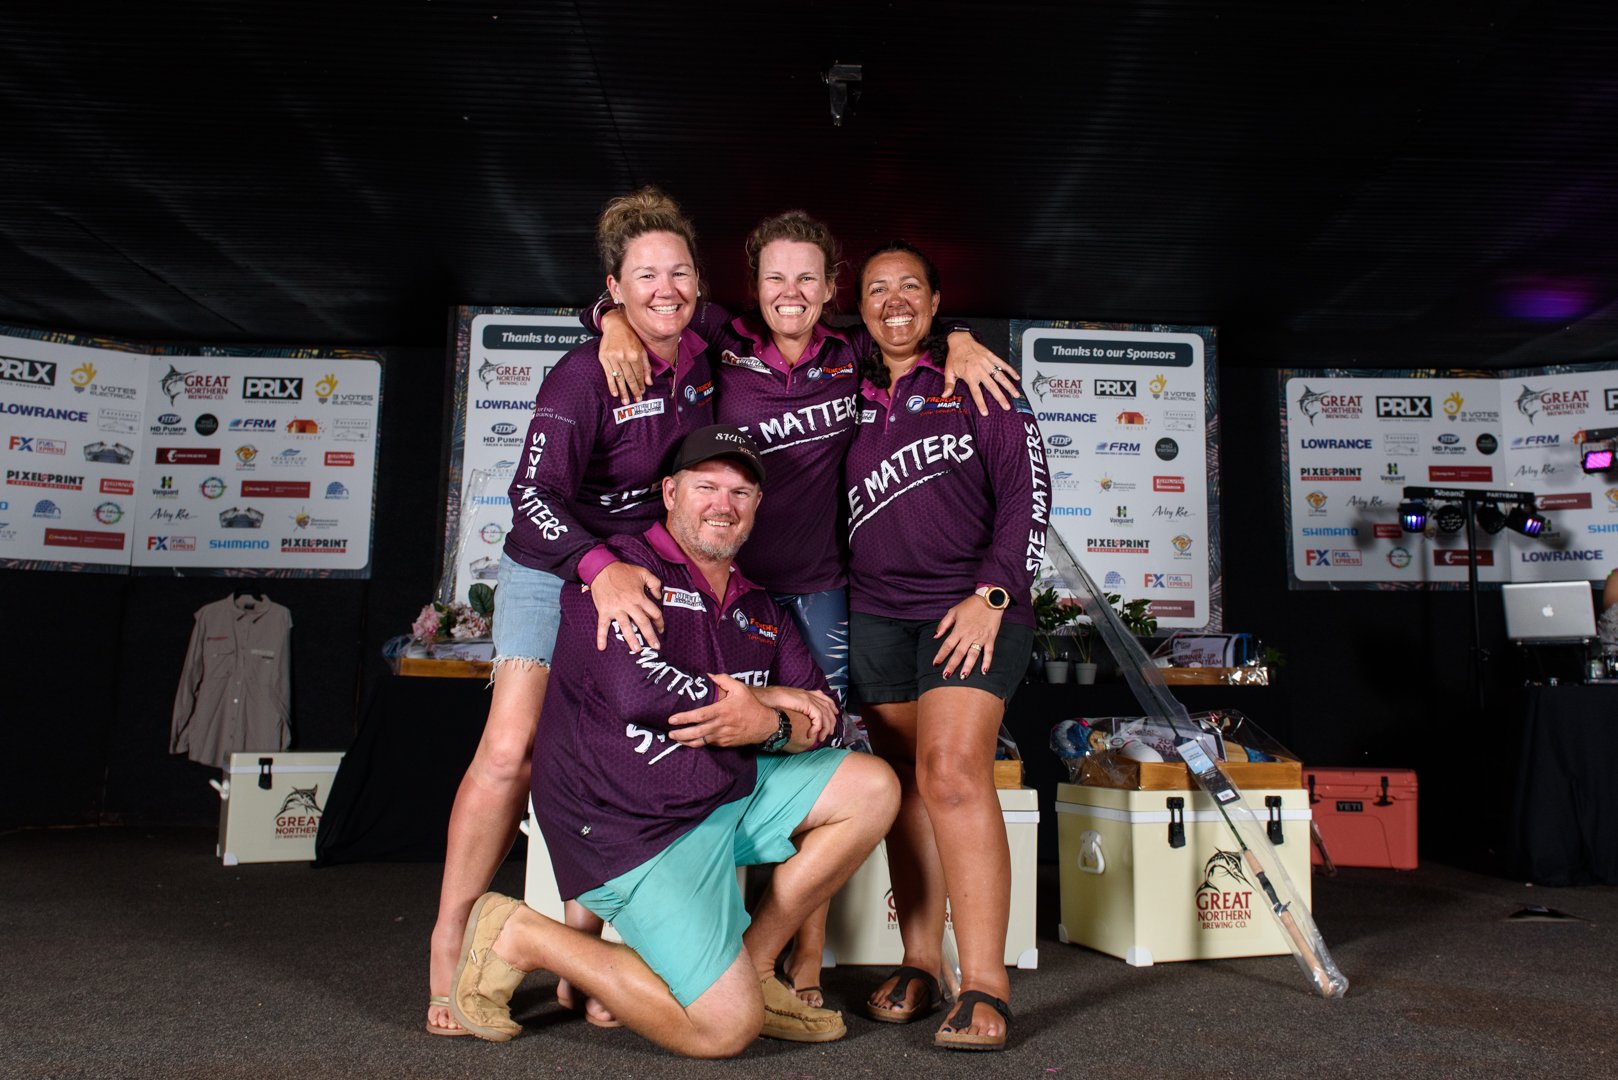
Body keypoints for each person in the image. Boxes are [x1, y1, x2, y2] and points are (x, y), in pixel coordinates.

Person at [425, 189, 836, 1036]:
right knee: (510, 752)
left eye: (679, 271)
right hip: (562, 562)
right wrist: (597, 563)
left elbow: (787, 322)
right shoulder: (585, 369)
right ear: (614, 286)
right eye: (644, 276)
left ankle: (592, 962)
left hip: (654, 564)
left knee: (620, 744)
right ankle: (451, 947)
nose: (666, 288)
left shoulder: (704, 341)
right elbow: (530, 495)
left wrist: (958, 339)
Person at [587, 210, 1021, 1003]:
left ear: (829, 289)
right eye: (775, 277)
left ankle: (804, 967)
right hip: (728, 582)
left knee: (815, 756)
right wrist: (609, 316)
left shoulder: (850, 351)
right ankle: (647, 940)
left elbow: (907, 323)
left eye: (808, 278)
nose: (791, 291)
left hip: (822, 593)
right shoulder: (722, 339)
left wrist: (957, 336)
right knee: (695, 743)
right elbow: (656, 305)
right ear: (753, 287)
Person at [447, 426, 900, 1056]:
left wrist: (767, 722)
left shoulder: (759, 603)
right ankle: (521, 933)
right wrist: (763, 702)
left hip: (719, 796)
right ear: (669, 492)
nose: (724, 504)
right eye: (707, 486)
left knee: (872, 785)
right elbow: (643, 696)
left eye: (741, 491)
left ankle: (757, 965)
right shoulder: (618, 575)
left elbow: (824, 712)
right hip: (628, 825)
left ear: (758, 506)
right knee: (722, 1031)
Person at [844, 240, 1049, 1052]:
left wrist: (993, 594)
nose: (893, 301)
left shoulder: (977, 378)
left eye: (909, 289)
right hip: (877, 615)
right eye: (875, 290)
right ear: (858, 309)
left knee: (953, 774)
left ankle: (986, 982)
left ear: (934, 305)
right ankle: (920, 962)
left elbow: (1028, 500)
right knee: (905, 784)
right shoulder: (848, 391)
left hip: (973, 607)